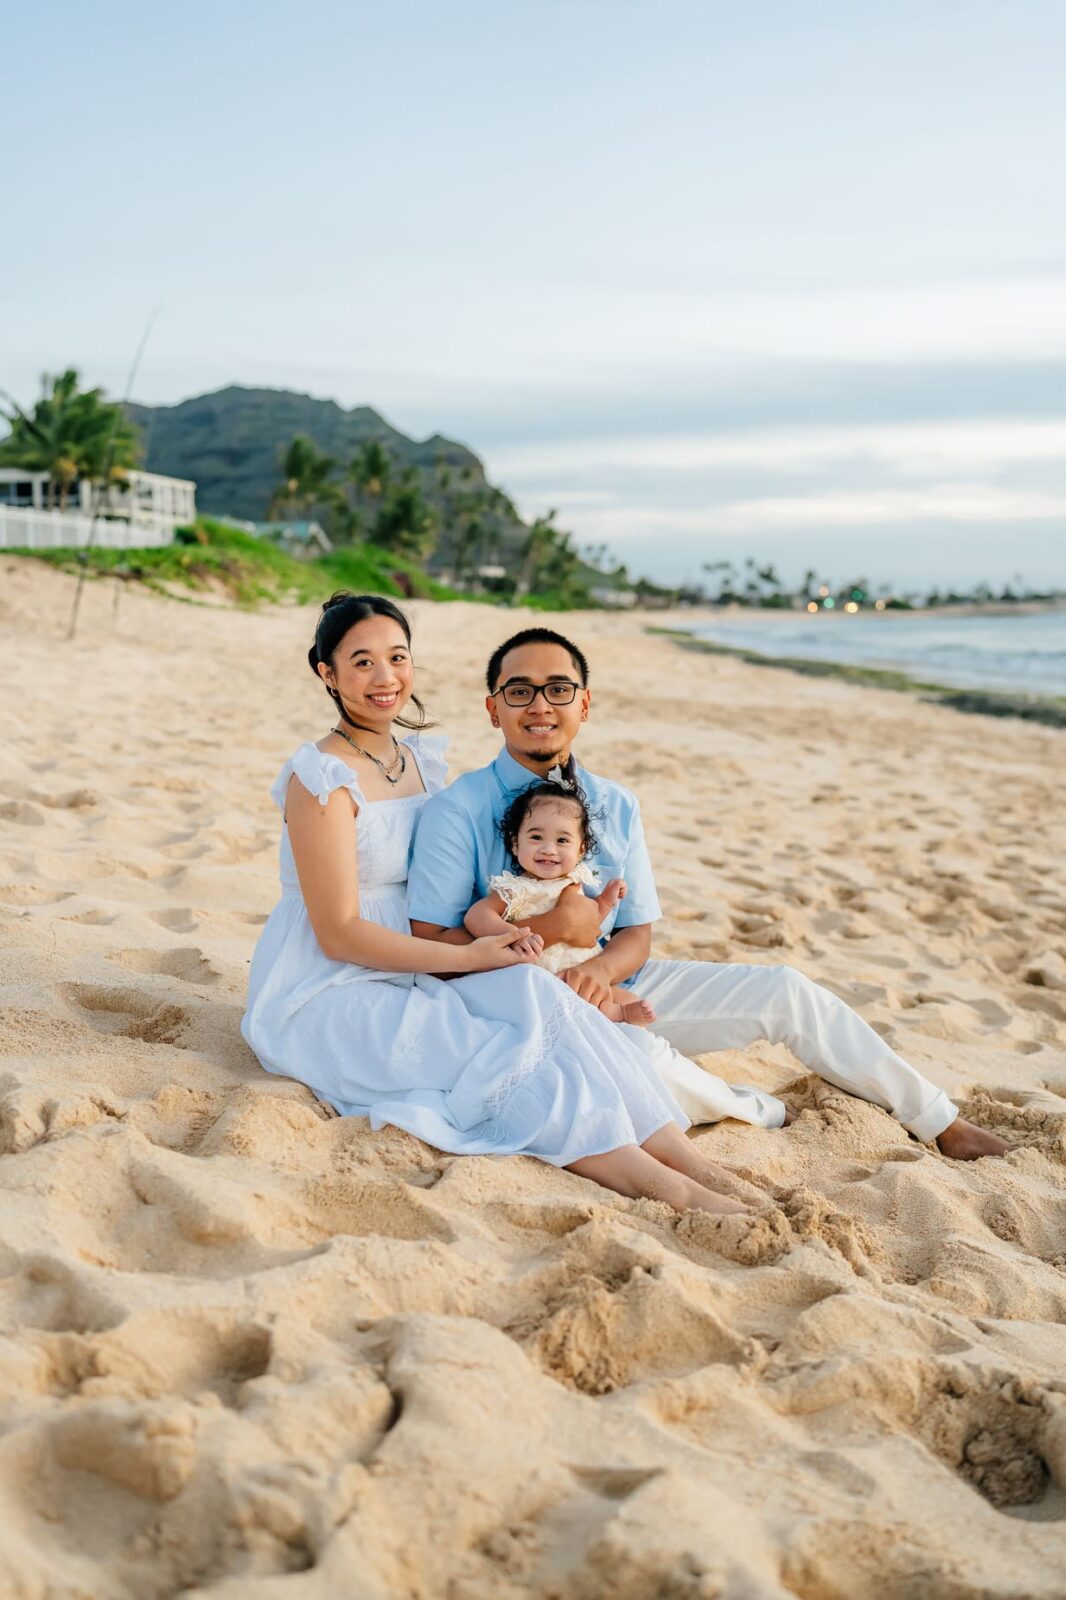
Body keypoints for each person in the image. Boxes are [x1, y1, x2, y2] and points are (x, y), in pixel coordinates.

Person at [241, 592, 755, 1216]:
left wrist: (509, 940)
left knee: (545, 999)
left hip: (423, 962)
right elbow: (338, 934)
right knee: (500, 1054)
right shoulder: (320, 776)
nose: (385, 678)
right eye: (362, 662)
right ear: (328, 673)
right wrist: (479, 954)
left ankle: (693, 1163)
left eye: (397, 658)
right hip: (336, 981)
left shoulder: (420, 764)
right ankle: (665, 1187)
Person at [407, 626, 1007, 1160]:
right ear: (494, 709)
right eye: (520, 691)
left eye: (559, 689)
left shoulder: (615, 804)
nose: (540, 705)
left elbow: (637, 932)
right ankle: (750, 1105)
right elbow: (431, 940)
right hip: (517, 1003)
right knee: (639, 1069)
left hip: (620, 987)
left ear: (584, 703)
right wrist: (557, 938)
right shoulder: (456, 809)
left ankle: (938, 1121)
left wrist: (598, 971)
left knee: (787, 991)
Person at [465, 776, 656, 1026]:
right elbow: (477, 916)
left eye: (562, 840)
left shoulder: (575, 882)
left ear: (580, 850)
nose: (548, 849)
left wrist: (606, 901)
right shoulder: (515, 887)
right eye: (536, 838)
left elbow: (589, 922)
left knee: (621, 996)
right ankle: (611, 1015)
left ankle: (621, 1013)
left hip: (582, 968)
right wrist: (513, 935)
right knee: (559, 999)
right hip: (542, 974)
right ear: (515, 843)